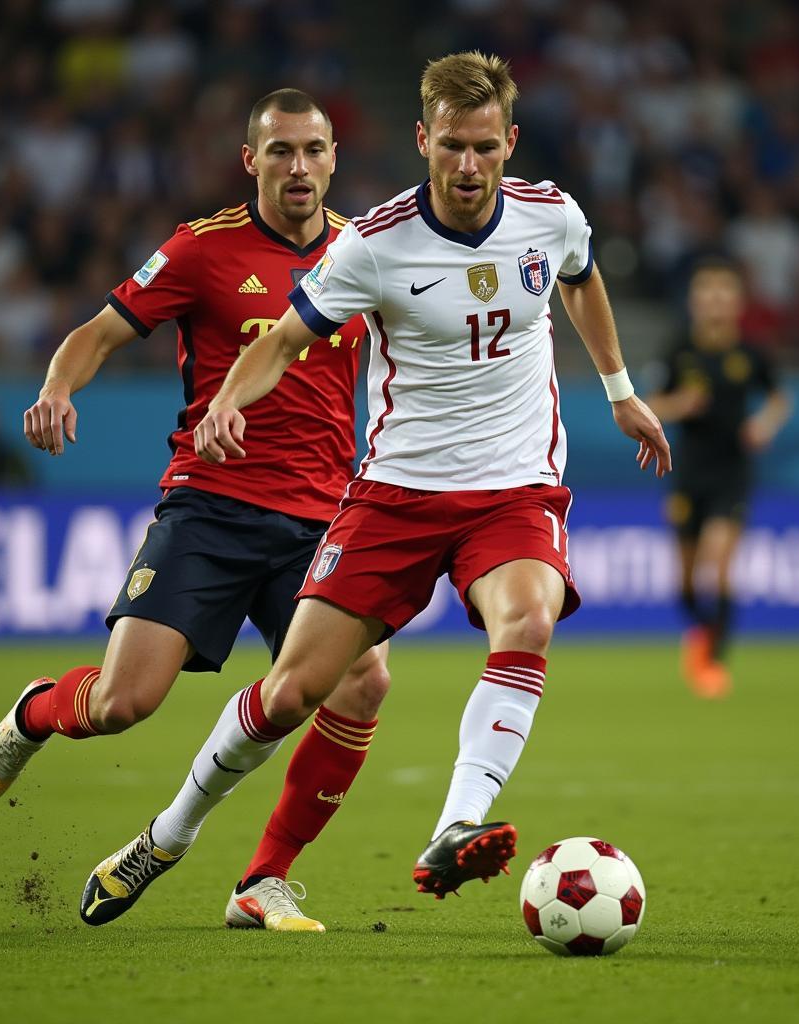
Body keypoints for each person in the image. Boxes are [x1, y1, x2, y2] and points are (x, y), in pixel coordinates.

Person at [83, 51, 670, 928]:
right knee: (289, 695)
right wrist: (223, 407)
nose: (467, 169)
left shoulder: (553, 217)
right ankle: (167, 836)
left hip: (515, 490)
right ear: (422, 139)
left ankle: (454, 825)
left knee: (528, 620)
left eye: (484, 148)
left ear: (509, 142)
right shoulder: (375, 244)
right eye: (451, 148)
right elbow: (279, 341)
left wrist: (621, 393)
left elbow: (581, 281)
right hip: (394, 495)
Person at [0, 89, 391, 932]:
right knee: (122, 704)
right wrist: (57, 385)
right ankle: (33, 714)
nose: (298, 167)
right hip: (211, 507)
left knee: (361, 683)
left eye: (313, 150)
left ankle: (261, 881)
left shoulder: (364, 255)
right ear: (251, 160)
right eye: (280, 152)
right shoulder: (203, 249)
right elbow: (98, 331)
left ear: (335, 158)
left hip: (319, 523)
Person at [647, 258, 790, 698]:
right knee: (686, 583)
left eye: (723, 292)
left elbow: (779, 398)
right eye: (707, 292)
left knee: (720, 562)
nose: (715, 300)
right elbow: (651, 403)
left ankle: (713, 662)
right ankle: (702, 633)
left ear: (737, 302)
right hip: (689, 472)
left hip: (733, 471)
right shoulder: (679, 350)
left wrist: (764, 424)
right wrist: (679, 405)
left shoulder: (750, 354)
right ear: (694, 301)